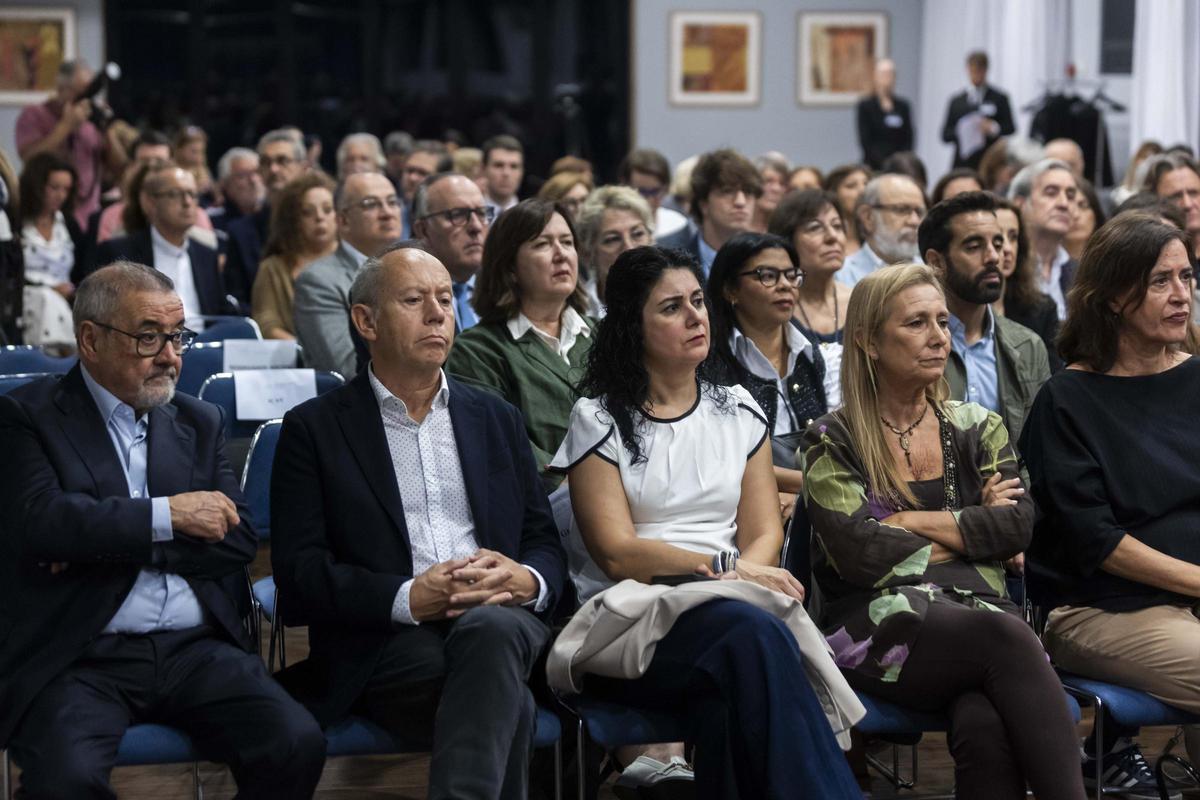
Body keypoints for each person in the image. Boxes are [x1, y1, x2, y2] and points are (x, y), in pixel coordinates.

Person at [547, 244, 864, 799]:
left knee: (732, 695)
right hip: (630, 621)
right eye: (672, 307)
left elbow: (764, 533)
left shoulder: (739, 408)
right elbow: (617, 553)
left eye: (698, 301)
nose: (696, 317)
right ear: (632, 326)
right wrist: (728, 572)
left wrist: (737, 578)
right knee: (756, 638)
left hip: (731, 611)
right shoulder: (597, 419)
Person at [0, 261, 326, 798]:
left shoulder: (198, 420)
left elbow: (239, 540)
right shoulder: (26, 416)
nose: (171, 357)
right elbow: (43, 524)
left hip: (196, 650)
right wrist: (167, 517)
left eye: (177, 337)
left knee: (296, 742)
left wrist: (102, 541)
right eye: (148, 338)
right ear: (91, 340)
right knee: (66, 780)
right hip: (81, 654)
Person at [270, 245, 566, 800]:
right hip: (386, 638)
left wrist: (527, 579)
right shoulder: (314, 429)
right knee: (509, 697)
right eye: (413, 300)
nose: (437, 314)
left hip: (502, 615)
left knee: (492, 631)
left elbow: (541, 540)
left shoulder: (495, 416)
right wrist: (408, 598)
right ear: (366, 322)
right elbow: (299, 573)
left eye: (446, 300)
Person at [802, 262, 1084, 800]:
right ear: (867, 341)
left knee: (984, 720)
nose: (938, 337)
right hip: (877, 628)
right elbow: (859, 553)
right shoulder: (832, 438)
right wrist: (975, 531)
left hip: (980, 616)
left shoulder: (978, 425)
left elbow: (1017, 526)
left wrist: (907, 522)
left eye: (942, 321)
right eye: (916, 323)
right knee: (1007, 638)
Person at [1019, 213, 1200, 794]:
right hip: (1102, 609)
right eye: (1161, 281)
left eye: (1187, 277)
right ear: (1115, 297)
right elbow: (1096, 541)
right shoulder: (1066, 401)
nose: (1182, 295)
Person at [446, 199, 594, 480]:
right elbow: (498, 444)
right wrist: (587, 491)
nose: (561, 254)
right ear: (510, 267)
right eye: (542, 244)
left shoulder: (604, 335)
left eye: (567, 242)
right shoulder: (477, 351)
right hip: (549, 501)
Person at [919, 191, 1051, 454]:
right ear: (936, 263)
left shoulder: (1028, 345)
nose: (993, 257)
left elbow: (1040, 450)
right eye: (974, 246)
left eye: (998, 244)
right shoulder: (914, 345)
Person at [707, 232, 826, 511]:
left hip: (818, 497)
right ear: (730, 290)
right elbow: (722, 461)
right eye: (768, 276)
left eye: (791, 275)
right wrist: (812, 487)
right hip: (739, 504)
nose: (785, 285)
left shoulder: (815, 355)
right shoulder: (709, 365)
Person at [294, 171, 403, 378]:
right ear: (343, 220)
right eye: (371, 204)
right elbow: (345, 368)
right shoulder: (318, 281)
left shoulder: (418, 269)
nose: (387, 212)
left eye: (392, 202)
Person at [95, 160, 227, 322]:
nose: (187, 202)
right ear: (150, 203)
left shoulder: (206, 254)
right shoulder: (120, 253)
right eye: (174, 194)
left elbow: (221, 314)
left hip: (204, 336)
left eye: (192, 194)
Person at [15, 60, 128, 228]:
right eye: (80, 91)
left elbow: (121, 169)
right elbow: (30, 158)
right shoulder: (34, 114)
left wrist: (106, 129)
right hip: (46, 216)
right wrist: (66, 126)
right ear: (61, 88)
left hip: (88, 216)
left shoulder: (91, 122)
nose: (85, 98)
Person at [768, 189, 849, 408]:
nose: (832, 237)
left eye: (837, 226)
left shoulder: (862, 301)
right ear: (787, 241)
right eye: (815, 228)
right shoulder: (775, 309)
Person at [224, 129, 310, 306]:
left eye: (282, 161)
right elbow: (237, 300)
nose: (273, 169)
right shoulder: (241, 232)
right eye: (266, 162)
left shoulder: (323, 222)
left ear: (303, 168)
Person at [251, 172, 338, 340]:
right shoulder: (273, 269)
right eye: (308, 212)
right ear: (293, 219)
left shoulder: (358, 261)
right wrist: (306, 351)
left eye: (328, 209)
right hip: (292, 354)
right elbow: (266, 324)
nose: (320, 217)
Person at [18, 153, 86, 350]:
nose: (61, 196)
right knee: (45, 299)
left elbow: (83, 271)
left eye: (66, 189)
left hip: (67, 301)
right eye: (54, 188)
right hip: (24, 301)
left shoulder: (69, 224)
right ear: (37, 186)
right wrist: (49, 289)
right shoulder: (16, 223)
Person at [657, 148, 762, 277]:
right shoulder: (665, 255)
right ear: (703, 203)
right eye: (727, 191)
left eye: (748, 192)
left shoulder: (766, 258)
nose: (740, 202)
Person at [411, 172, 495, 332]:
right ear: (423, 230)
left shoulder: (505, 291)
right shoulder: (408, 299)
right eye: (458, 215)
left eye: (481, 213)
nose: (476, 226)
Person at [991, 195, 1061, 369]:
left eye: (1013, 237)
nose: (1007, 248)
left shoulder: (1042, 310)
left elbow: (1051, 376)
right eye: (997, 238)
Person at [1008, 158, 1078, 320]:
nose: (1064, 204)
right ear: (1020, 204)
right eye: (1051, 193)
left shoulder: (1079, 273)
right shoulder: (1007, 267)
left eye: (1070, 195)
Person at [574, 185, 654, 316]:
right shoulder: (577, 313)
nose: (629, 248)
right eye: (612, 239)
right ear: (588, 253)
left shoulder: (679, 298)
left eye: (637, 234)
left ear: (651, 239)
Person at [839, 173, 926, 288]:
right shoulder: (840, 276)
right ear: (868, 217)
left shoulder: (932, 273)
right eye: (901, 209)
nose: (914, 221)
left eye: (919, 212)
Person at [94, 130, 176, 244]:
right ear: (132, 165)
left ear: (172, 165)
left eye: (160, 161)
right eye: (144, 161)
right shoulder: (112, 216)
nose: (151, 166)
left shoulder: (192, 214)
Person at [941, 51, 1016, 169]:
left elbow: (1010, 128)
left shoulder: (999, 98)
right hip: (963, 163)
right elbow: (945, 135)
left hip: (989, 161)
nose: (976, 74)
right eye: (973, 70)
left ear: (986, 70)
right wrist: (963, 130)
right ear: (968, 69)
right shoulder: (957, 101)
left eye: (980, 70)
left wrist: (993, 127)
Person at [617, 147, 689, 238]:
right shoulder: (613, 228)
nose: (649, 200)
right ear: (624, 187)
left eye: (655, 192)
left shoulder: (678, 226)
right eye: (642, 192)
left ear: (666, 189)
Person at [857, 59, 915, 171]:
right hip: (874, 164)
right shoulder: (866, 106)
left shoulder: (903, 106)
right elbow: (865, 139)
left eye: (890, 74)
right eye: (883, 74)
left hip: (899, 164)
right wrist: (884, 163)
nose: (887, 78)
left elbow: (909, 137)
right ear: (875, 77)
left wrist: (900, 161)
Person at [1141, 152, 1200, 260]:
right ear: (1154, 201)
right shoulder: (1148, 260)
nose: (1187, 204)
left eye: (1193, 193)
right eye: (1175, 196)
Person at [207, 147, 265, 234]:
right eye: (243, 175)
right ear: (225, 184)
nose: (254, 180)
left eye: (258, 172)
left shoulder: (274, 216)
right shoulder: (211, 220)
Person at [823, 163, 870, 256]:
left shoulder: (879, 239)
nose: (863, 191)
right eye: (851, 186)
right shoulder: (825, 241)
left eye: (866, 184)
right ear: (833, 194)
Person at [481, 135, 524, 216]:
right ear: (483, 169)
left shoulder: (531, 219)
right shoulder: (470, 217)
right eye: (498, 165)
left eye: (514, 166)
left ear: (522, 171)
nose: (506, 173)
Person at [1064, 177, 1105, 262]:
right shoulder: (1041, 264)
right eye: (1066, 208)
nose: (1075, 215)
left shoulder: (1110, 260)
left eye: (1082, 206)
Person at [751, 152, 790, 233]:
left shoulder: (786, 233)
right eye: (768, 181)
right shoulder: (734, 228)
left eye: (782, 183)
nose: (776, 189)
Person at [175, 126, 214, 204]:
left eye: (201, 152)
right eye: (194, 151)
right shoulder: (171, 172)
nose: (198, 157)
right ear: (179, 149)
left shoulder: (203, 170)